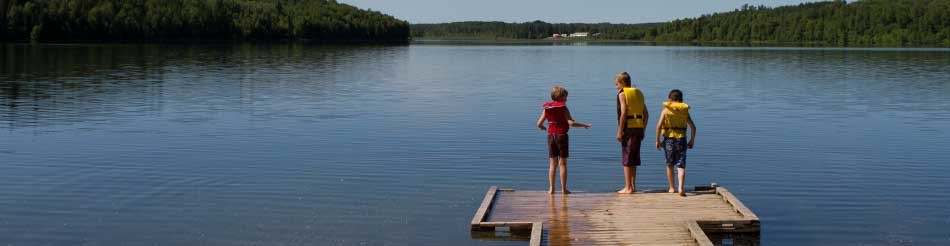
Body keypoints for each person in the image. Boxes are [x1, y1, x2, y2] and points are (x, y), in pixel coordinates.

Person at [537, 86, 592, 194]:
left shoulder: (547, 108)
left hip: (551, 136)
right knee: (563, 164)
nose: (566, 100)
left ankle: (551, 189)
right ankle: (563, 189)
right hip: (561, 136)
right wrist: (584, 125)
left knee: (552, 164)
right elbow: (571, 123)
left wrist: (543, 127)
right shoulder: (563, 108)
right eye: (565, 97)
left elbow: (538, 124)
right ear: (560, 97)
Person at [655, 89, 696, 197]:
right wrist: (692, 140)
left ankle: (672, 188)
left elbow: (659, 126)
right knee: (681, 165)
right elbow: (693, 127)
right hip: (681, 139)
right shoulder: (684, 111)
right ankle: (681, 188)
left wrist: (657, 140)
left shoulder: (665, 111)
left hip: (668, 140)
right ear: (681, 100)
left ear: (670, 99)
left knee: (669, 164)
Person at [614, 72, 648, 194]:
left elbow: (623, 113)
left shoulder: (622, 94)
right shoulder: (638, 93)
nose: (616, 86)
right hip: (638, 128)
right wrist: (643, 129)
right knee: (634, 158)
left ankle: (628, 188)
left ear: (622, 83)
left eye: (617, 84)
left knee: (627, 159)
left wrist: (619, 131)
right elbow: (646, 114)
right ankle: (633, 186)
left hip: (628, 129)